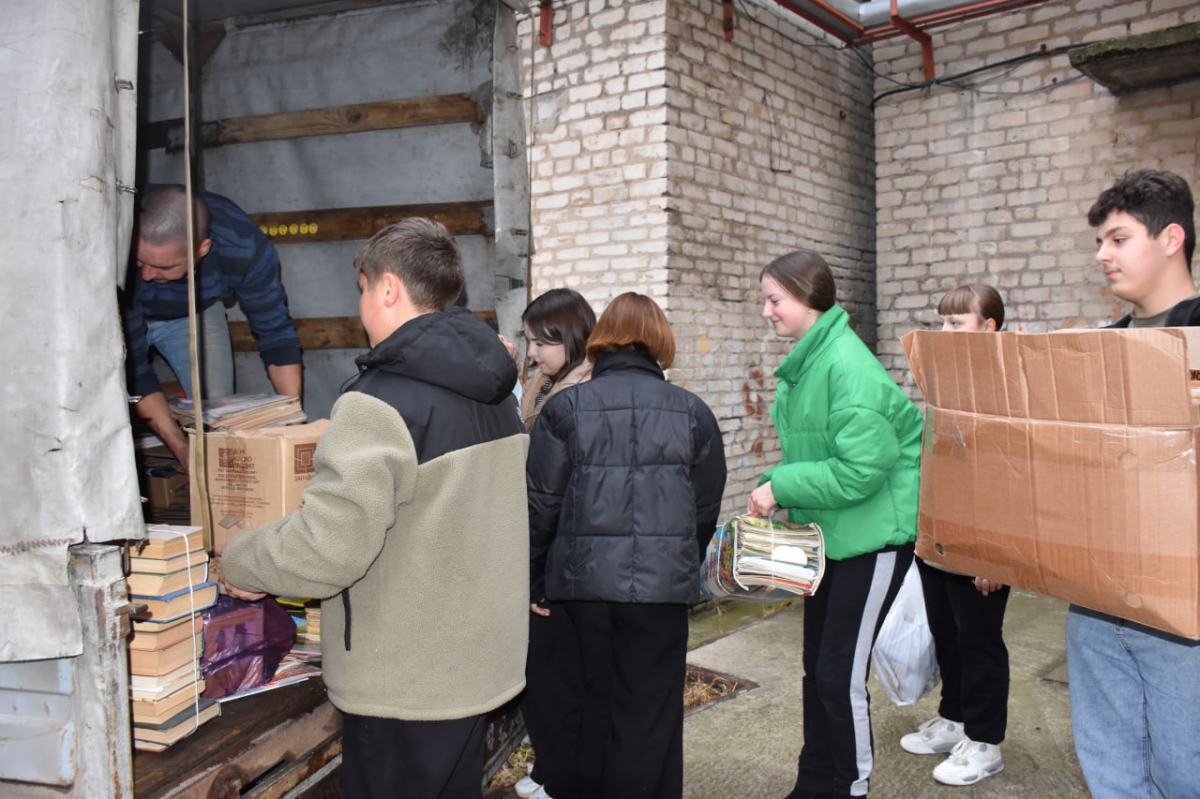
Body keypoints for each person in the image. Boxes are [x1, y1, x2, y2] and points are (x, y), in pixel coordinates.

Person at [218, 218, 530, 799]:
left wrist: (241, 559)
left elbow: (325, 549)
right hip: (475, 667)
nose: (360, 306)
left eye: (361, 289)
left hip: (406, 681)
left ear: (387, 289)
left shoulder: (378, 403)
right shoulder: (495, 392)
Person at [526, 292, 727, 799]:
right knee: (652, 715)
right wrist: (679, 560)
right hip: (660, 594)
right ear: (659, 341)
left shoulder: (566, 408)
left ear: (600, 341)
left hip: (582, 589)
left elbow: (541, 505)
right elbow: (704, 509)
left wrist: (535, 580)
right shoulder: (694, 413)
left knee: (592, 707)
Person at [748, 250, 922, 799]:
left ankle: (848, 786)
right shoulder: (810, 364)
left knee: (837, 675)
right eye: (765, 301)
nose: (767, 312)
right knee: (816, 670)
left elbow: (860, 472)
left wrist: (781, 486)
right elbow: (820, 455)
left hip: (870, 544)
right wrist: (781, 486)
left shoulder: (847, 366)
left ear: (807, 297)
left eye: (774, 300)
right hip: (832, 542)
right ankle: (814, 781)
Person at [1068, 168, 1200, 799]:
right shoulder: (1103, 350)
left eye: (1118, 239)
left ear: (1171, 237)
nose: (1103, 254)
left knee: (1187, 769)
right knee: (1110, 767)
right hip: (1096, 600)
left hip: (1184, 615)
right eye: (1101, 241)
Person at [900, 284, 1010, 786]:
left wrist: (995, 553)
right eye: (940, 322)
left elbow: (1011, 477)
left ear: (988, 328)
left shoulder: (1005, 388)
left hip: (985, 539)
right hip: (941, 534)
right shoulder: (945, 383)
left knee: (980, 640)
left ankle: (985, 741)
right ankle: (956, 720)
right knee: (947, 631)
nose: (942, 332)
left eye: (955, 323)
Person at [122, 185, 302, 468]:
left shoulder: (242, 245)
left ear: (201, 249)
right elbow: (136, 372)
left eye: (163, 268)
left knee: (220, 421)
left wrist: (291, 423)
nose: (145, 275)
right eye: (140, 261)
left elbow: (276, 335)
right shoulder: (118, 244)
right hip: (123, 310)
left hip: (194, 313)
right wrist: (181, 449)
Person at [515, 289, 596, 799]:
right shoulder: (546, 383)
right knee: (544, 671)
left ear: (565, 336)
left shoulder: (584, 391)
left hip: (565, 548)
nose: (531, 355)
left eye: (538, 343)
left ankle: (562, 776)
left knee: (554, 674)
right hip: (544, 539)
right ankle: (551, 766)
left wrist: (539, 570)